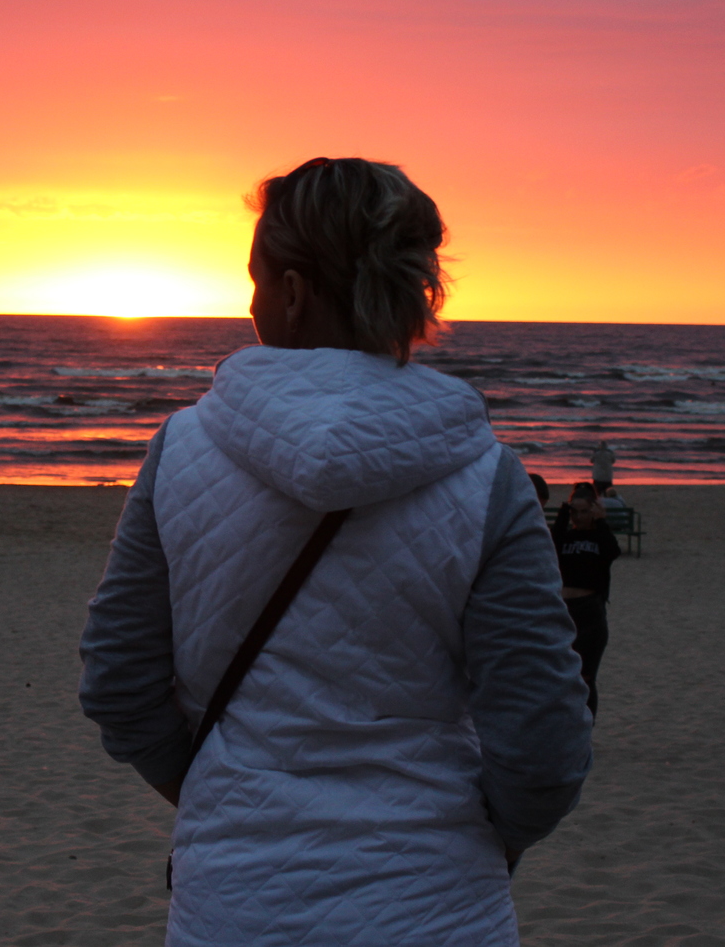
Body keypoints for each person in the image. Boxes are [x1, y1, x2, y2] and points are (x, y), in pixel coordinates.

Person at [78, 157, 591, 944]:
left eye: (254, 281)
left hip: (234, 908)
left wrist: (220, 794)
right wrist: (489, 836)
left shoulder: (181, 450)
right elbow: (544, 738)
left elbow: (119, 680)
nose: (249, 303)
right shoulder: (486, 474)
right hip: (438, 904)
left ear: (290, 292)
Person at [552, 483, 622, 715]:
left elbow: (613, 551)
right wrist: (564, 511)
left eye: (584, 511)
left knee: (585, 677)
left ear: (593, 510)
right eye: (575, 511)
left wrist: (601, 521)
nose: (579, 517)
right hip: (563, 611)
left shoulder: (599, 537)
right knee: (557, 675)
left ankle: (585, 727)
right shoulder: (565, 538)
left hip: (589, 611)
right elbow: (550, 545)